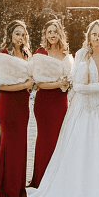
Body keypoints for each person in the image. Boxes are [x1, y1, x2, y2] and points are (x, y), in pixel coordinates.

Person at [18, 20, 99, 197]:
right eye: (93, 35)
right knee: (81, 155)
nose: (96, 39)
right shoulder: (81, 55)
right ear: (88, 36)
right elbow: (79, 87)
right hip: (85, 113)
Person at [0, 20, 34, 197]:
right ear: (10, 35)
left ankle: (17, 187)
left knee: (20, 144)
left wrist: (31, 86)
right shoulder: (2, 56)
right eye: (17, 34)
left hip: (22, 105)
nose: (21, 37)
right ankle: (5, 188)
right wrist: (25, 85)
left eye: (23, 34)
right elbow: (1, 84)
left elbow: (31, 79)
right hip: (8, 104)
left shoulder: (26, 55)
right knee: (9, 144)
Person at [30, 19, 73, 187]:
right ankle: (40, 179)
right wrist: (58, 84)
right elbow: (39, 83)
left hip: (60, 101)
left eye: (55, 32)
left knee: (59, 138)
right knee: (44, 139)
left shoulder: (65, 53)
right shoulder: (40, 53)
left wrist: (67, 84)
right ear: (45, 35)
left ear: (60, 33)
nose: (52, 35)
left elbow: (70, 78)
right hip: (44, 102)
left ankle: (57, 179)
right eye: (49, 32)